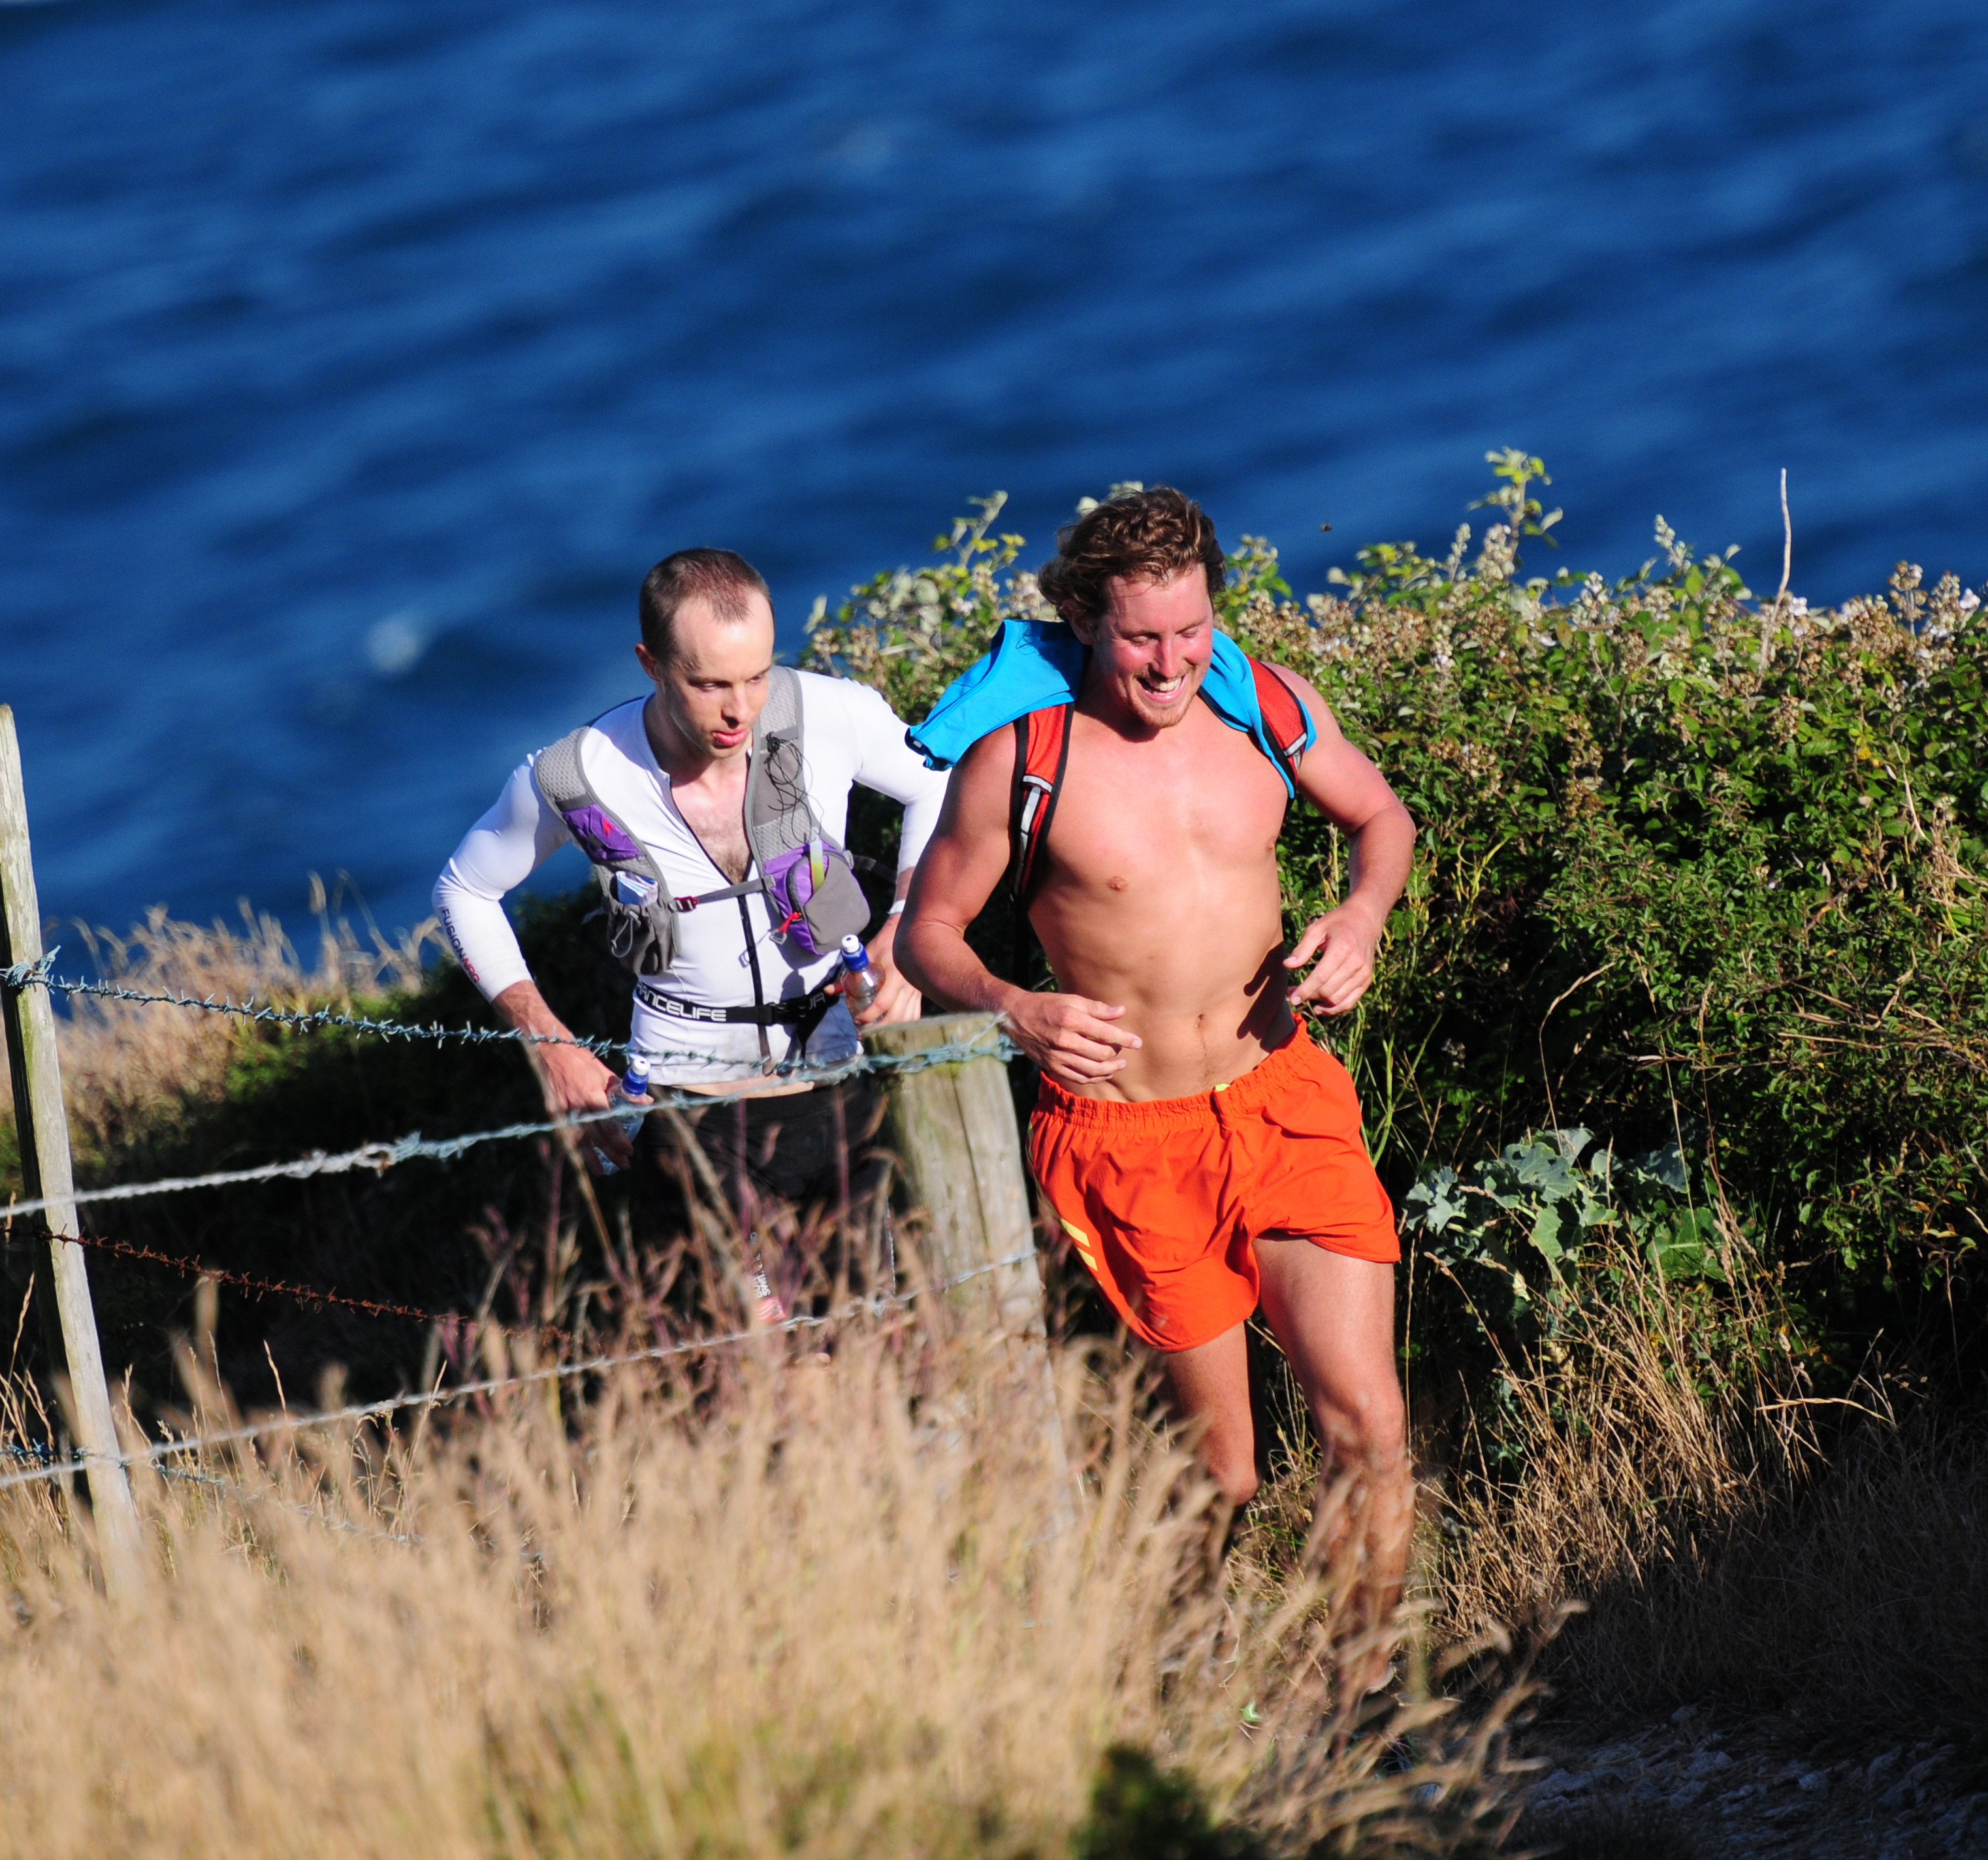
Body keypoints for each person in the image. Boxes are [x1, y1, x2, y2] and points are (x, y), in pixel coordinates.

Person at [897, 486, 1418, 1688]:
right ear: (1083, 618)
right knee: (1223, 1470)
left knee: (1370, 1428)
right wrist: (1015, 1007)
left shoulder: (1265, 707)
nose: (1174, 661)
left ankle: (1363, 1700)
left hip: (1282, 1096)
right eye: (1142, 637)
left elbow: (1377, 815)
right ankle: (1174, 1669)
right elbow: (930, 933)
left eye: (1191, 630)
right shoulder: (1019, 760)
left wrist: (1361, 912)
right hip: (1129, 1137)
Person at [433, 547, 947, 1316]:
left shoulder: (831, 714)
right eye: (708, 684)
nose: (740, 710)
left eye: (756, 676)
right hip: (689, 1103)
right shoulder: (580, 774)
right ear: (650, 663)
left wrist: (908, 933)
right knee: (759, 1356)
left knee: (867, 1336)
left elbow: (940, 785)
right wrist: (552, 1046)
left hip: (836, 1081)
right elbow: (464, 890)